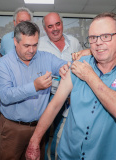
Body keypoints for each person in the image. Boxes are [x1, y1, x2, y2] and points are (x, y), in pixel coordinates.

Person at [26, 12, 116, 160]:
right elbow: (54, 105)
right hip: (67, 154)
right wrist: (34, 141)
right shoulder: (78, 65)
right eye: (93, 37)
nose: (98, 42)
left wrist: (89, 76)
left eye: (106, 36)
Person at [0, 21, 67, 160]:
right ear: (15, 41)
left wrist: (66, 68)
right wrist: (34, 86)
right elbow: (5, 96)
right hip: (13, 128)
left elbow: (64, 65)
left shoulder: (46, 57)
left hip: (39, 129)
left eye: (35, 45)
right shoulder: (3, 64)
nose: (31, 50)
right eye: (27, 45)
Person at [38, 12, 83, 160]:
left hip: (69, 96)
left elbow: (80, 66)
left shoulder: (75, 42)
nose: (55, 29)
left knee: (61, 132)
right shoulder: (39, 44)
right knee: (43, 131)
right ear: (45, 29)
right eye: (50, 26)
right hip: (46, 95)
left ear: (62, 24)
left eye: (58, 24)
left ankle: (54, 156)